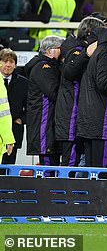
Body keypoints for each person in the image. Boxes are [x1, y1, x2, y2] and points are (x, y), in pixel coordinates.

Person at [54, 16, 104, 167]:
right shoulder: (76, 50)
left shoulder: (75, 47)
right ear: (90, 34)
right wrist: (86, 54)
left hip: (75, 112)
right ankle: (63, 190)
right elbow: (69, 72)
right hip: (71, 113)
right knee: (70, 160)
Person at [76, 26, 107, 168]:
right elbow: (104, 83)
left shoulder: (94, 53)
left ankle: (90, 191)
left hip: (88, 118)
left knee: (91, 166)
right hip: (101, 118)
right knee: (101, 168)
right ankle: (100, 191)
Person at [25, 35, 64, 165]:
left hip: (47, 123)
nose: (62, 51)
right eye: (59, 48)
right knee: (48, 165)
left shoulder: (47, 66)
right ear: (49, 51)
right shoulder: (43, 68)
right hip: (43, 123)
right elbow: (54, 92)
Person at [0, 49, 27, 164]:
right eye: (5, 61)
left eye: (11, 62)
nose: (8, 65)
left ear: (15, 65)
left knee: (9, 167)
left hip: (14, 131)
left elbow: (31, 105)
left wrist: (21, 120)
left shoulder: (24, 83)